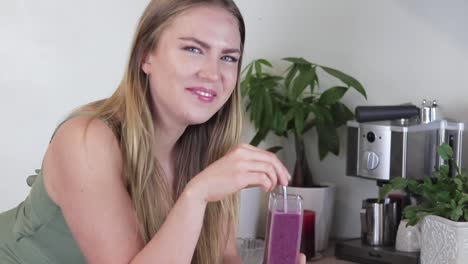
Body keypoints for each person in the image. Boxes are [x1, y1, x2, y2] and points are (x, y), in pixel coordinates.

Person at [0, 0, 306, 263]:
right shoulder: (86, 140)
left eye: (228, 57)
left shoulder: (212, 149)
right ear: (146, 56)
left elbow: (223, 257)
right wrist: (196, 194)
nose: (213, 73)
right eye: (193, 49)